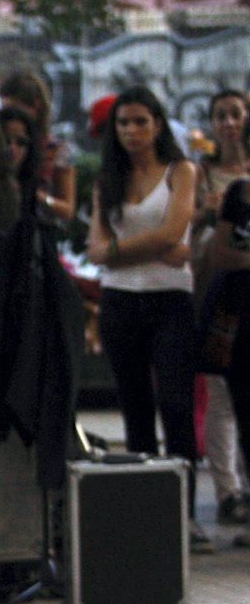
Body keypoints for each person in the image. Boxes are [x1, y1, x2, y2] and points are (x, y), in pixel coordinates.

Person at [86, 85, 211, 552]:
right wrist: (155, 246)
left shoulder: (182, 171)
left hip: (170, 302)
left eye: (141, 121)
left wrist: (120, 251)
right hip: (120, 303)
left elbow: (177, 231)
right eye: (123, 123)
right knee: (135, 411)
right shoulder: (107, 182)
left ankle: (186, 517)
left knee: (177, 407)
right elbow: (96, 250)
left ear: (158, 124)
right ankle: (145, 515)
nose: (132, 131)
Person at [193, 89, 250, 527]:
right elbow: (211, 249)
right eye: (221, 115)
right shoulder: (212, 179)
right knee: (223, 397)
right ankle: (228, 490)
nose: (228, 123)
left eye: (236, 114)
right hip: (225, 298)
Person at [0, 71, 76, 226]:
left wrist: (36, 196)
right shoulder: (0, 144)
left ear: (36, 106)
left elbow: (67, 210)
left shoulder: (56, 150)